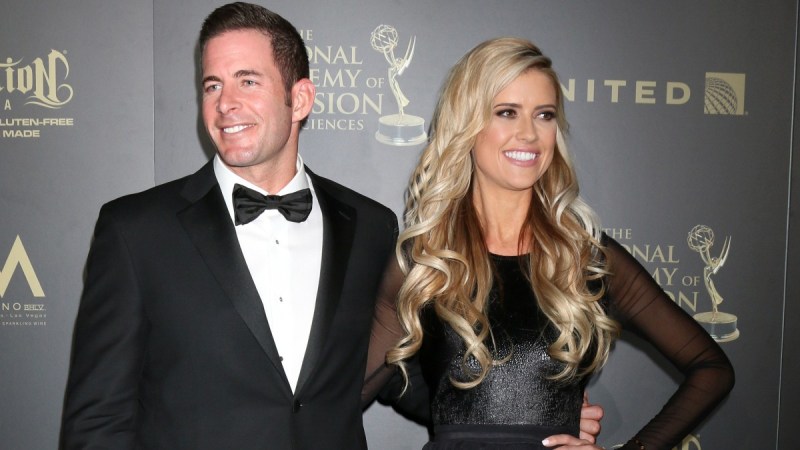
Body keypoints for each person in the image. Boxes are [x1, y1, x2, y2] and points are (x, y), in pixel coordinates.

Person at [60, 3, 603, 448]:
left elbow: (398, 371)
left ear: (301, 98)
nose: (225, 104)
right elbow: (95, 423)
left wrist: (531, 408)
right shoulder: (136, 230)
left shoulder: (369, 227)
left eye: (247, 81)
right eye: (211, 85)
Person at [365, 37, 735, 450]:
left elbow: (712, 368)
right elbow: (355, 386)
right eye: (507, 112)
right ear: (467, 125)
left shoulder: (587, 258)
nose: (529, 134)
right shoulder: (424, 259)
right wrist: (465, 414)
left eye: (544, 115)